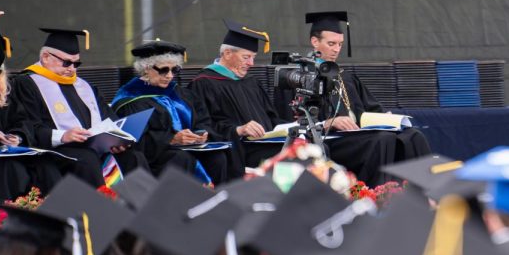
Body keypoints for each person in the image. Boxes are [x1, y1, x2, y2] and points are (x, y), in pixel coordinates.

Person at [272, 11, 430, 184]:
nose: (336, 49)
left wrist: (386, 118)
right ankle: (374, 196)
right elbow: (287, 123)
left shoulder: (345, 76)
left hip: (357, 135)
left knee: (412, 135)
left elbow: (370, 109)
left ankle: (423, 193)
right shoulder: (296, 77)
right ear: (315, 42)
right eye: (331, 43)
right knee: (382, 140)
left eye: (340, 44)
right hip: (328, 140)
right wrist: (328, 123)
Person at [9, 27, 148, 188]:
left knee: (133, 156)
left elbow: (108, 117)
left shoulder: (85, 86)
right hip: (57, 151)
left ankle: (142, 211)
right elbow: (28, 126)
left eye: (76, 63)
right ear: (46, 57)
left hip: (93, 148)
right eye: (66, 62)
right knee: (86, 158)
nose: (72, 69)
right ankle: (100, 210)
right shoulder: (26, 84)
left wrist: (117, 139)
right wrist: (63, 136)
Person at [112, 41, 235, 185]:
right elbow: (134, 141)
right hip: (157, 158)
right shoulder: (131, 99)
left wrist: (201, 134)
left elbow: (203, 121)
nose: (170, 76)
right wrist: (171, 139)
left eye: (174, 70)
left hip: (190, 149)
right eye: (164, 70)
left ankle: (215, 203)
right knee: (181, 158)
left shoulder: (182, 94)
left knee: (217, 157)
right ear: (146, 68)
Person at [186, 20, 284, 170]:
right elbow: (203, 126)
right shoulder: (204, 83)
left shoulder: (251, 82)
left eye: (253, 57)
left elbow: (271, 117)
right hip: (237, 150)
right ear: (227, 54)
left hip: (265, 144)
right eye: (246, 57)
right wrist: (238, 130)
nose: (251, 63)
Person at [0, 7, 63, 201]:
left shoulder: (2, 90)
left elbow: (21, 119)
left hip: (5, 152)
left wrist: (17, 136)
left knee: (45, 165)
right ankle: (5, 224)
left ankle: (57, 221)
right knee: (9, 169)